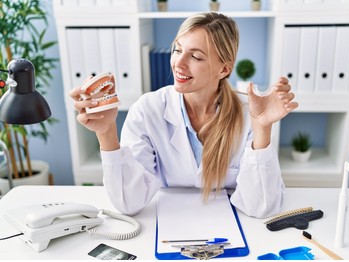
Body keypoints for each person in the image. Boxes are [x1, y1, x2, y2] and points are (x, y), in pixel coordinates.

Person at [70, 12, 298, 219]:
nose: (178, 63)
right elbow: (129, 203)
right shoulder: (148, 109)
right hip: (168, 223)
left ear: (224, 69)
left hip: (231, 227)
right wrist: (106, 132)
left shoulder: (252, 112)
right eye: (177, 50)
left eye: (195, 57)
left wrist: (262, 128)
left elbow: (262, 207)